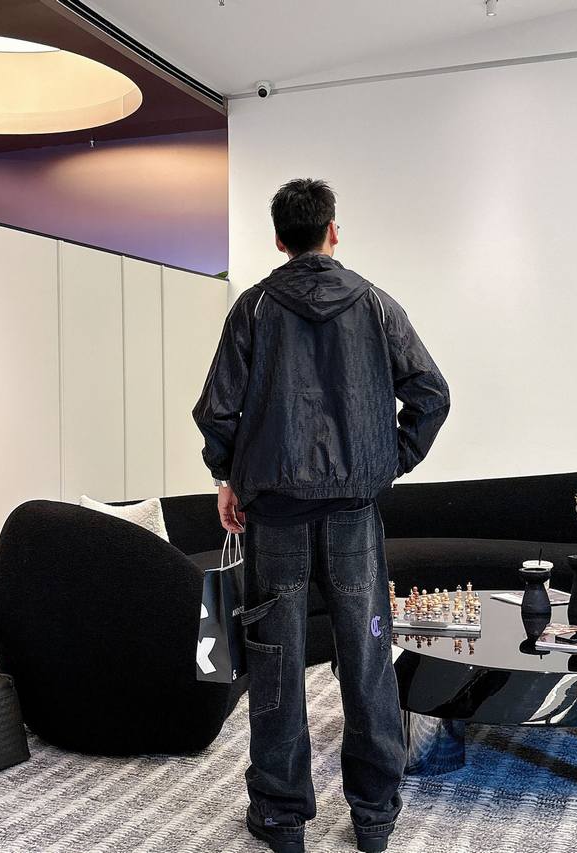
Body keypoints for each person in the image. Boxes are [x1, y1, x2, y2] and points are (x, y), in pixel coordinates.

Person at [192, 178, 450, 853]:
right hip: (353, 515)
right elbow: (432, 394)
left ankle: (281, 820)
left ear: (280, 240)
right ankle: (374, 817)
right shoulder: (376, 304)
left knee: (275, 662)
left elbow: (218, 411)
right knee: (366, 657)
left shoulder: (253, 308)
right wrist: (384, 462)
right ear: (333, 230)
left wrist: (226, 477)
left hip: (274, 516)